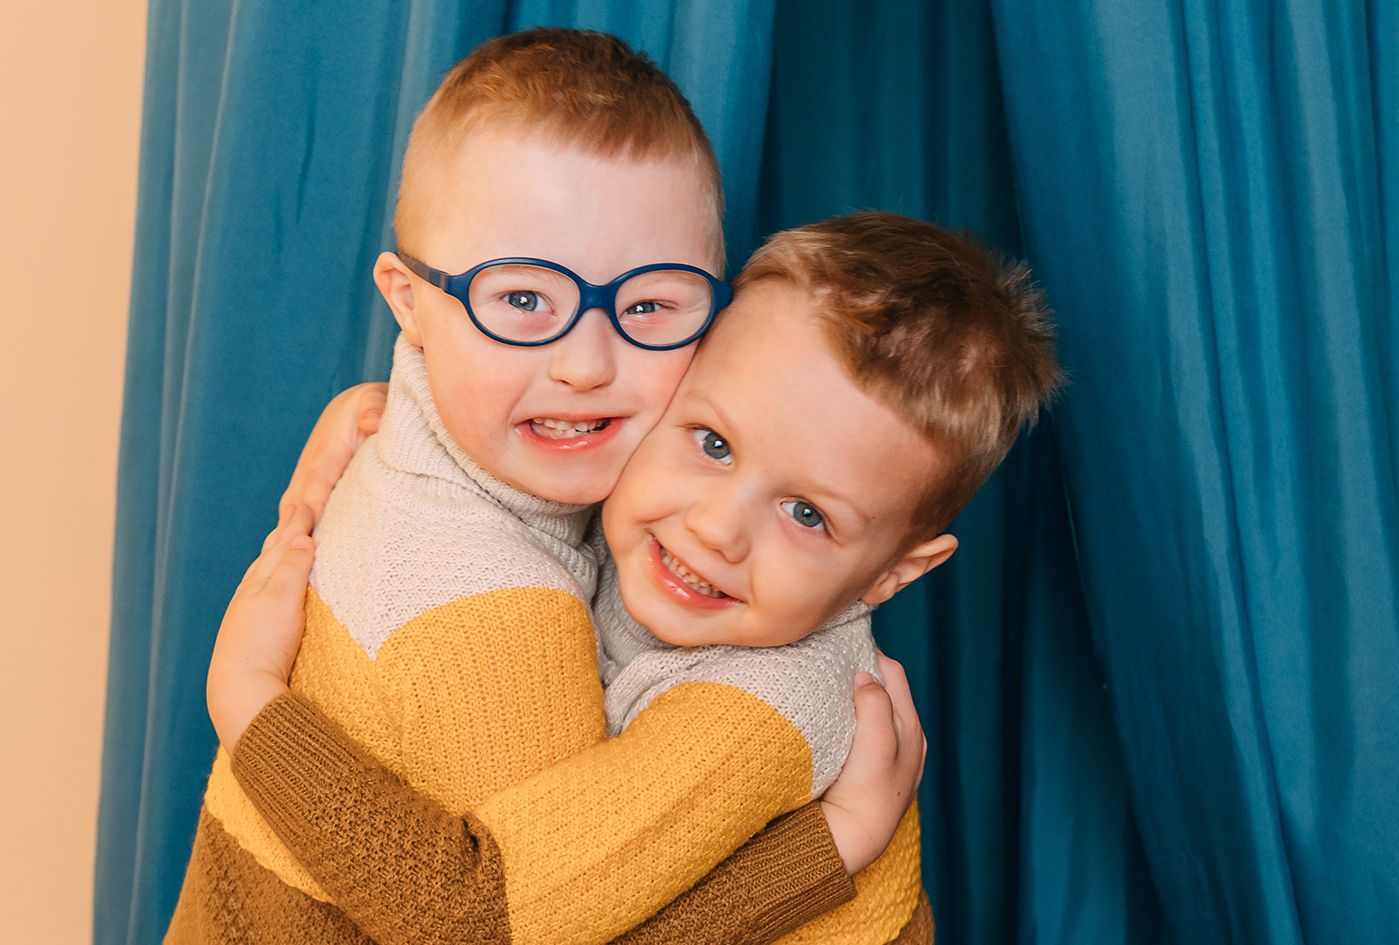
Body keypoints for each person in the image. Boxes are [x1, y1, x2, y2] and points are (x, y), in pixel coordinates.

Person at [166, 29, 924, 945]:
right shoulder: (499, 622)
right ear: (409, 302)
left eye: (648, 304)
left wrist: (365, 408)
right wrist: (246, 698)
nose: (585, 364)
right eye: (523, 299)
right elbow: (493, 922)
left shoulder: (476, 454)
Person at [203, 211, 1061, 945]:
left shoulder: (768, 707)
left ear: (893, 573)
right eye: (714, 442)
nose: (715, 528)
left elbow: (476, 922)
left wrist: (247, 694)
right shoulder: (657, 521)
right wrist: (377, 408)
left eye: (807, 514)